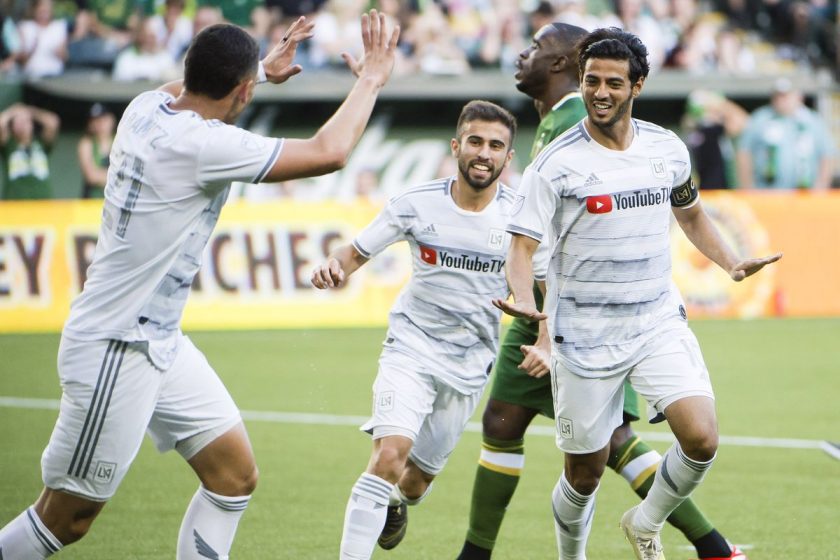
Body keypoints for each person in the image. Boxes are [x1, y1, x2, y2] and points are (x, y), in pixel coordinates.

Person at [0, 10, 399, 559]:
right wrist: (372, 76)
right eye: (249, 87)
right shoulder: (205, 146)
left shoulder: (146, 107)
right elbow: (329, 152)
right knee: (65, 521)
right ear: (240, 91)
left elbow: (194, 88)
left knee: (234, 477)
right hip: (117, 347)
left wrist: (258, 69)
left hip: (158, 341)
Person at [457, 22, 750, 560]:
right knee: (584, 473)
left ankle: (646, 522)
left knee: (702, 439)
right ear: (580, 78)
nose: (600, 92)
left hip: (656, 320)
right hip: (584, 333)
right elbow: (521, 247)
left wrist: (731, 262)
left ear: (637, 87)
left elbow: (690, 212)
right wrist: (527, 304)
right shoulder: (556, 159)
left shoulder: (666, 148)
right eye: (592, 80)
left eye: (614, 83)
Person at [311, 100, 518, 560]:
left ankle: (397, 503)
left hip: (470, 364)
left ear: (508, 157)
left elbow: (546, 287)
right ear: (456, 146)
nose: (484, 153)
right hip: (411, 346)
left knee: (415, 481)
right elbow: (355, 252)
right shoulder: (416, 203)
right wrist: (334, 266)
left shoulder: (521, 219)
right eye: (476, 142)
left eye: (496, 146)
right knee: (388, 455)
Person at [735, 78, 835, 190]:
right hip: (766, 193)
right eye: (778, 96)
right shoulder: (760, 119)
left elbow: (827, 155)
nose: (781, 100)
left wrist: (821, 185)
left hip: (804, 193)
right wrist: (747, 186)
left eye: (786, 95)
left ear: (799, 97)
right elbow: (744, 152)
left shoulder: (813, 121)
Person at [0, 102, 60, 200]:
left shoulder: (41, 144)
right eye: (18, 122)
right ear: (12, 126)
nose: (22, 125)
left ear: (32, 125)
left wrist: (31, 111)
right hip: (14, 202)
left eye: (25, 121)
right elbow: (1, 123)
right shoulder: (9, 146)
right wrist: (13, 110)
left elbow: (53, 122)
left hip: (42, 201)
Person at [77, 103, 115, 199]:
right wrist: (119, 177)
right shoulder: (86, 143)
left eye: (103, 119)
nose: (99, 124)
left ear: (111, 120)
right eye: (95, 121)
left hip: (114, 203)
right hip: (91, 203)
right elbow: (91, 176)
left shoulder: (120, 142)